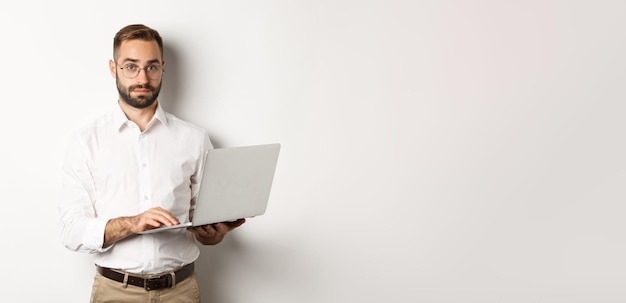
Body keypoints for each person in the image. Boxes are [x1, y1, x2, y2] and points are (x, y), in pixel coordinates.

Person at [58, 24, 245, 303]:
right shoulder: (86, 141)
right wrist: (133, 223)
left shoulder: (194, 138)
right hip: (114, 292)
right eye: (131, 67)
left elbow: (202, 220)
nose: (142, 78)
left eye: (152, 67)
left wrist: (212, 234)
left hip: (180, 291)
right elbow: (71, 230)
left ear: (162, 68)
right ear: (113, 68)